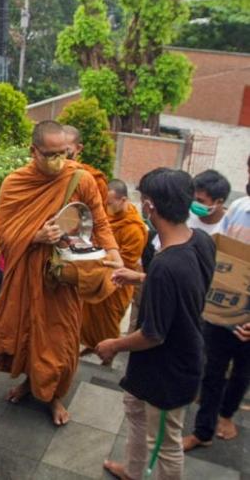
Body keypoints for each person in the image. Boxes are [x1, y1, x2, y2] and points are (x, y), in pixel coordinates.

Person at [0, 120, 121, 426]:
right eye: (50, 154)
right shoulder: (15, 183)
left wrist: (113, 252)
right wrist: (35, 236)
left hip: (64, 278)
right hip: (27, 276)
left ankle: (54, 395)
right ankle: (30, 384)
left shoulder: (80, 179)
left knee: (62, 339)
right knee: (28, 333)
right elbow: (4, 236)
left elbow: (99, 222)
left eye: (64, 153)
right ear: (34, 151)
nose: (59, 161)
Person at [97, 168, 216, 480]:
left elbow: (152, 334)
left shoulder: (166, 265)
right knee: (135, 411)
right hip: (150, 368)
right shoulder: (200, 241)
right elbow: (186, 284)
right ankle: (133, 471)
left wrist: (113, 344)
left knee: (165, 443)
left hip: (170, 371)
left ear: (150, 206)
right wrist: (140, 278)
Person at [182, 156, 249, 452]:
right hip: (224, 305)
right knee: (212, 368)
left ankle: (226, 414)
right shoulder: (239, 208)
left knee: (243, 373)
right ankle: (203, 430)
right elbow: (226, 260)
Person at [80, 179, 148, 362]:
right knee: (88, 318)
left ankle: (107, 356)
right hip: (96, 275)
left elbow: (126, 262)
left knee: (108, 322)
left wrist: (98, 257)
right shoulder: (106, 217)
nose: (106, 207)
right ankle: (92, 345)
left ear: (123, 199)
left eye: (110, 203)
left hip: (117, 282)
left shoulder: (134, 228)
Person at [63, 124, 109, 203]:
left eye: (66, 150)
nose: (60, 155)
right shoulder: (44, 174)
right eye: (56, 149)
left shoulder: (95, 180)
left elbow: (100, 213)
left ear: (78, 148)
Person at [187, 169, 230, 235]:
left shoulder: (228, 227)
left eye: (200, 200)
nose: (194, 203)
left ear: (219, 201)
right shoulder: (185, 218)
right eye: (193, 198)